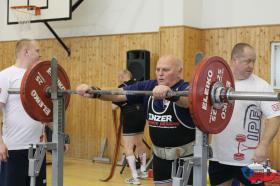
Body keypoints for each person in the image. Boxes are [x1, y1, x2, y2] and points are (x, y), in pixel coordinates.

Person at [76, 55, 196, 186]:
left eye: (166, 70)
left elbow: (187, 101)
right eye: (158, 69)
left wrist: (171, 95)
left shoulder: (187, 88)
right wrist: (95, 92)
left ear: (179, 71)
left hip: (186, 159)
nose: (160, 74)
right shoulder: (149, 86)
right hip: (161, 159)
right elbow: (118, 94)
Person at [209, 43, 280, 186]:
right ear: (234, 60)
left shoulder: (261, 86)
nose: (251, 65)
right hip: (219, 157)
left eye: (253, 61)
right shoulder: (218, 84)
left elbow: (275, 117)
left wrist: (264, 146)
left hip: (252, 159)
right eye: (247, 61)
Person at [0, 39, 47, 186]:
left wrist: (58, 135)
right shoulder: (5, 75)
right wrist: (0, 142)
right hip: (14, 149)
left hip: (38, 148)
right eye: (37, 51)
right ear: (26, 52)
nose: (40, 55)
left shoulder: (39, 78)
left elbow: (43, 111)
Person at [111, 70, 147, 185]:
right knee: (139, 143)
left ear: (122, 77)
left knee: (128, 146)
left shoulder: (122, 87)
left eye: (119, 77)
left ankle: (135, 177)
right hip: (141, 114)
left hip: (130, 115)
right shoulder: (138, 85)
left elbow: (113, 107)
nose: (118, 79)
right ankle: (143, 171)